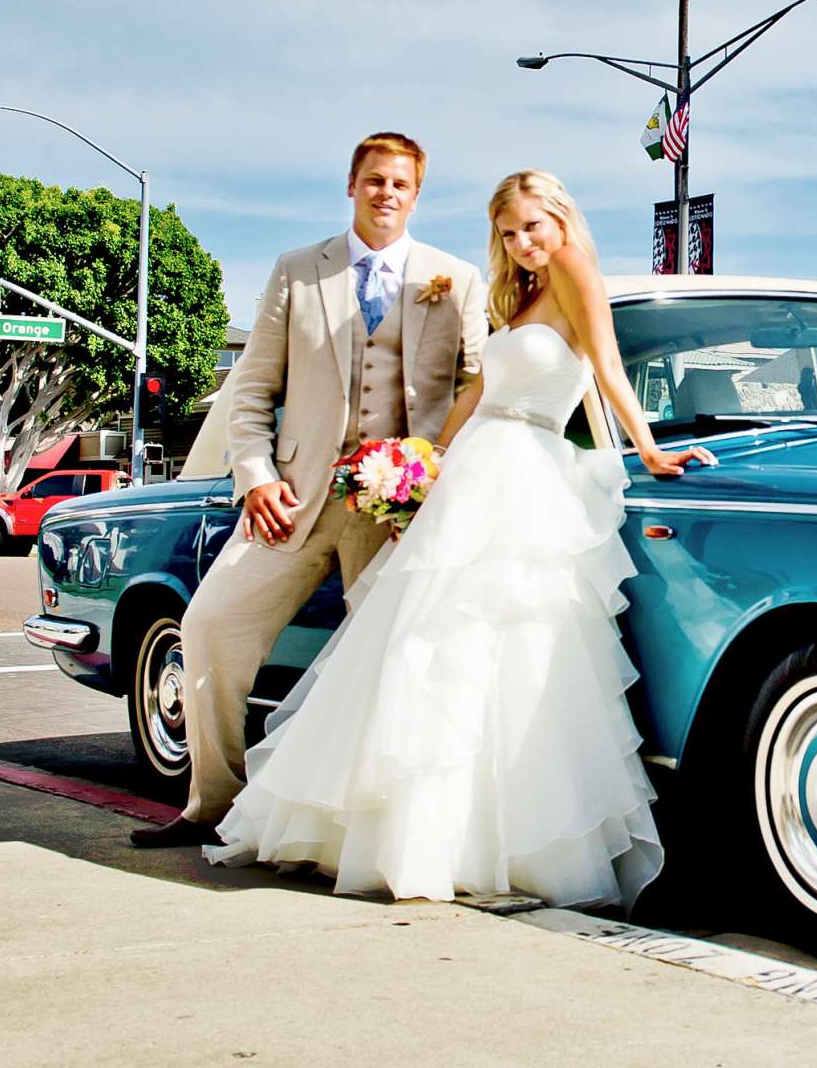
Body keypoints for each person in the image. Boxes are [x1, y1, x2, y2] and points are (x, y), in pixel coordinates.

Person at [204, 169, 712, 908]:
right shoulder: (523, 294)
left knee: (502, 648)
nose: (523, 243)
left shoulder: (573, 269)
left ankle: (471, 839)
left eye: (533, 225)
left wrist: (651, 449)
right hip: (475, 472)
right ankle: (415, 836)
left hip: (528, 474)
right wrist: (425, 459)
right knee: (429, 646)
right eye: (509, 233)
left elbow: (605, 367)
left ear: (561, 218)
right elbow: (478, 393)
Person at [131, 133, 488, 849]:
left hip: (397, 511)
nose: (386, 193)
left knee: (392, 659)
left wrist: (435, 463)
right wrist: (256, 477)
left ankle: (365, 830)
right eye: (374, 180)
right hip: (292, 500)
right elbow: (254, 389)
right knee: (209, 626)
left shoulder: (456, 278)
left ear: (417, 195)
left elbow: (477, 384)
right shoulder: (298, 271)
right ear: (351, 186)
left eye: (400, 184)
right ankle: (213, 804)